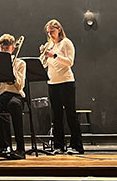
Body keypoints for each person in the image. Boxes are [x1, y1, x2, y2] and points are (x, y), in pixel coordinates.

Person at [40, 19, 84, 155]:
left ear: (59, 29)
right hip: (52, 82)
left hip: (66, 82)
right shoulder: (50, 45)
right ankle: (59, 145)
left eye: (52, 32)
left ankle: (76, 146)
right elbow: (44, 65)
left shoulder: (66, 43)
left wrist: (54, 55)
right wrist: (43, 54)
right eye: (48, 33)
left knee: (70, 114)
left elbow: (69, 62)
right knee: (56, 116)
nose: (50, 35)